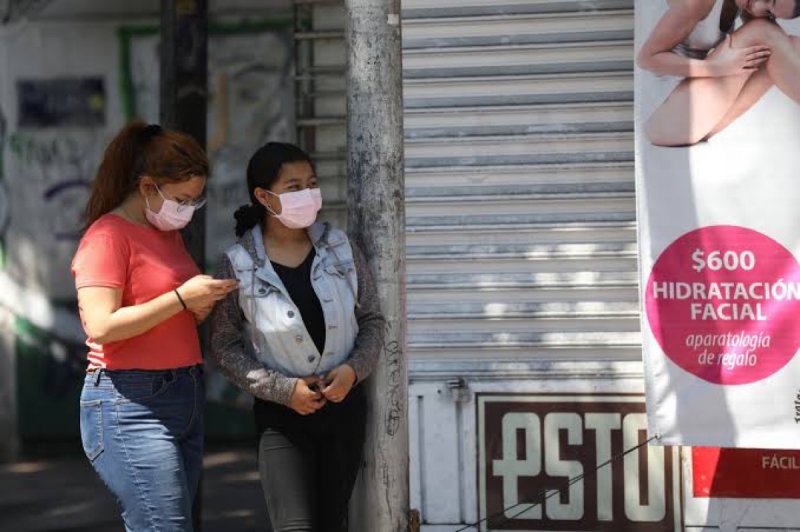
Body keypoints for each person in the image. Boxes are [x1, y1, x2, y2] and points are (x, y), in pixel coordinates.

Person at [209, 142, 385, 532]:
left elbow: (372, 319)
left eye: (311, 183)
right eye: (293, 187)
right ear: (263, 196)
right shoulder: (238, 264)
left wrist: (354, 371)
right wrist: (282, 390)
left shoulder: (341, 249)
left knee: (331, 523)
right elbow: (223, 345)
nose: (307, 194)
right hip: (282, 418)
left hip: (344, 411)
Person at [71, 121, 238, 531]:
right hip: (130, 403)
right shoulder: (107, 236)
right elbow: (101, 326)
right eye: (182, 199)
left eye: (196, 200)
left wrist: (195, 308)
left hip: (183, 393)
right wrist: (181, 299)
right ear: (148, 187)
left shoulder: (164, 232)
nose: (189, 209)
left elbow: (156, 305)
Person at [637, 0, 800, 146]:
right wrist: (715, 67)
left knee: (793, 45)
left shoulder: (744, 6)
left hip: (695, 113)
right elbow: (646, 59)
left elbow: (781, 47)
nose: (759, 7)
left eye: (769, 12)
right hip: (663, 116)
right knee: (764, 32)